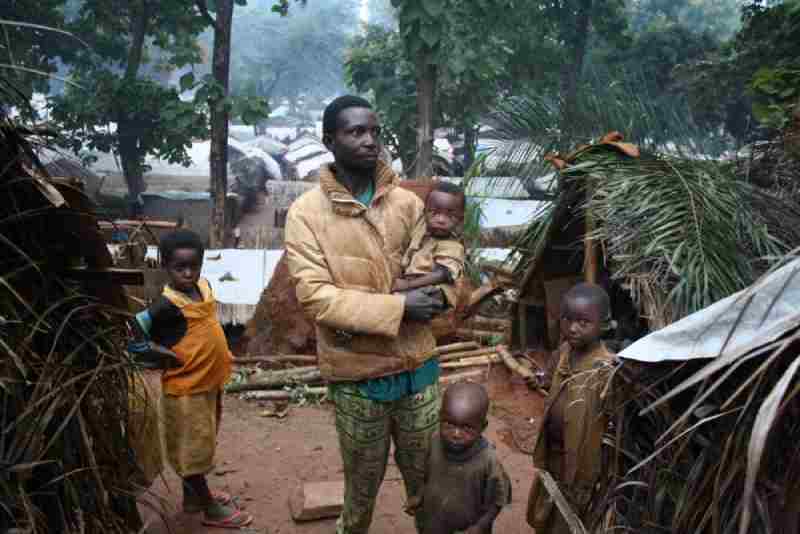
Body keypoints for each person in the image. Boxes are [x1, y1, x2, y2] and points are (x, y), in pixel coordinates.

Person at [285, 95, 445, 534]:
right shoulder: (305, 215)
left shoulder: (408, 204)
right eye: (356, 131)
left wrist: (443, 292)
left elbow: (434, 270)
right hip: (358, 377)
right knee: (361, 489)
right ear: (328, 140)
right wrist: (399, 306)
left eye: (374, 131)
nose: (369, 140)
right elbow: (317, 298)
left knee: (430, 484)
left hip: (418, 368)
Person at [129, 229, 252, 528]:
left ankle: (192, 498)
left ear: (202, 264)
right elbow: (136, 326)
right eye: (178, 267)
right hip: (185, 390)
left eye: (193, 266)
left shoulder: (204, 286)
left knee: (201, 441)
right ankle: (209, 507)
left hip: (208, 383)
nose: (187, 273)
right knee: (191, 449)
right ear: (165, 267)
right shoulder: (166, 304)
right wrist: (158, 353)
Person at [526, 283, 617, 533]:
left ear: (604, 325)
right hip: (553, 453)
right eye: (567, 319)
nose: (573, 328)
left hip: (579, 465)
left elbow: (612, 418)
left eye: (583, 322)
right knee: (544, 513)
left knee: (569, 519)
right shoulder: (565, 351)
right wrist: (542, 378)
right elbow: (552, 372)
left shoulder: (606, 368)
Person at [410, 382, 512, 534]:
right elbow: (428, 476)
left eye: (467, 428)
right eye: (449, 424)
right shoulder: (434, 441)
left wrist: (480, 526)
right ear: (440, 417)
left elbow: (497, 501)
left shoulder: (488, 461)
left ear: (483, 427)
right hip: (433, 523)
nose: (456, 434)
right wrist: (419, 496)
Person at [393, 181, 466, 310]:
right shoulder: (421, 231)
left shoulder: (453, 246)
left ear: (460, 219)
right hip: (410, 284)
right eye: (434, 212)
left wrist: (408, 284)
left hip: (431, 288)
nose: (441, 220)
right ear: (424, 212)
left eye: (450, 215)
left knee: (417, 300)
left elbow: (442, 274)